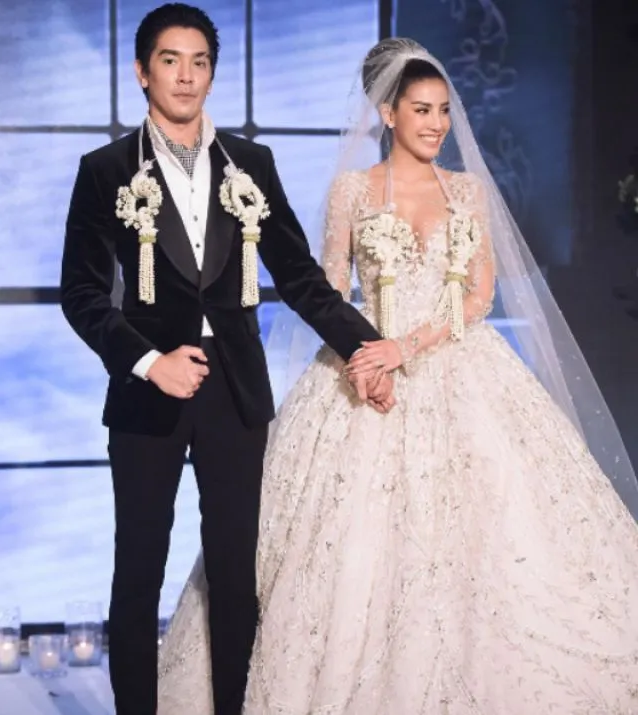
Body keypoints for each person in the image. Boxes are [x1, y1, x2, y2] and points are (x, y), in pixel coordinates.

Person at [156, 38, 638, 714]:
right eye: (421, 110)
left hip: (454, 360)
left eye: (442, 111)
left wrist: (405, 347)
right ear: (388, 114)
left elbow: (479, 295)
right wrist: (363, 358)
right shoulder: (352, 191)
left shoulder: (466, 190)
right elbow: (329, 288)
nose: (436, 124)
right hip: (364, 363)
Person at [60, 4, 393, 715]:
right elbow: (82, 295)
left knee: (238, 573)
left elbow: (300, 277)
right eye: (170, 61)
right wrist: (149, 362)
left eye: (200, 62)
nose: (186, 76)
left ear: (212, 74)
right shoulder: (105, 170)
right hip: (148, 389)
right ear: (142, 72)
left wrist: (366, 348)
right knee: (138, 571)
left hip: (236, 390)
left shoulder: (251, 164)